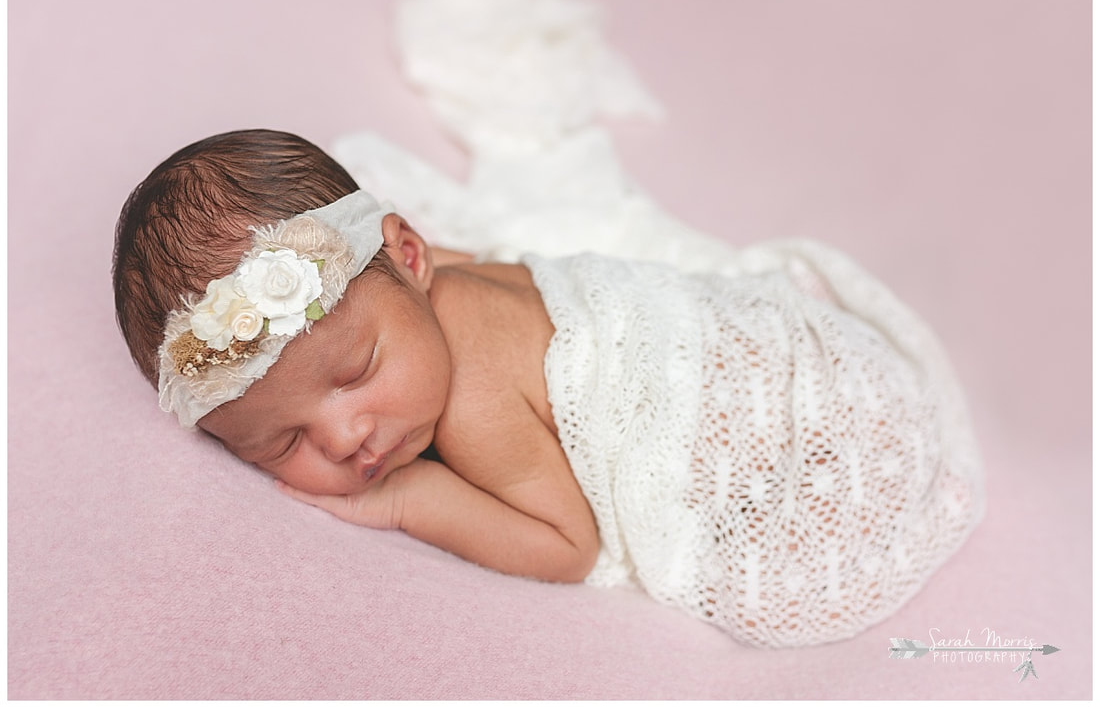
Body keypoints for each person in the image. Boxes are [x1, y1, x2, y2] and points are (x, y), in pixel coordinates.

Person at [113, 129, 984, 648]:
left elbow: (565, 545)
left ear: (409, 256)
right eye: (282, 441)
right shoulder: (431, 282)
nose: (347, 437)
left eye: (356, 373)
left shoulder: (473, 397)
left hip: (770, 403)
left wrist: (414, 500)